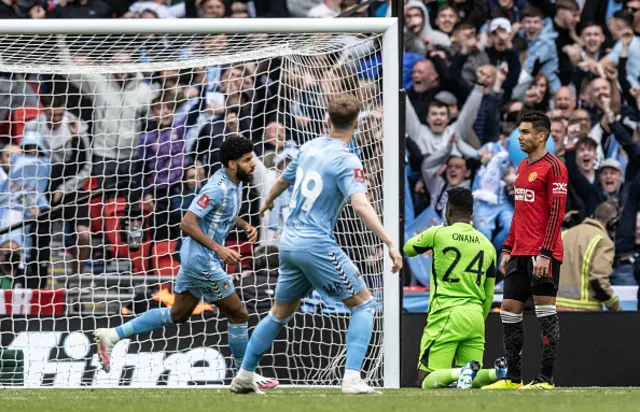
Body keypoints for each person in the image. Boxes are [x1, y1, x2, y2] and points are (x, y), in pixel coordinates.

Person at [229, 94, 403, 395]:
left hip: (289, 243)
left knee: (279, 313)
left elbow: (283, 180)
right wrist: (389, 241)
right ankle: (351, 378)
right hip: (315, 245)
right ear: (358, 124)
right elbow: (361, 205)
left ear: (326, 119)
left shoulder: (308, 147)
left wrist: (267, 203)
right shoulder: (348, 160)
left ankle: (245, 374)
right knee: (365, 304)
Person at [93, 135, 279, 390]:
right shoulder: (217, 187)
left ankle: (112, 335)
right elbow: (187, 222)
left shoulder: (234, 182)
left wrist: (243, 224)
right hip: (203, 261)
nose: (253, 164)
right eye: (247, 160)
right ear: (233, 164)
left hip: (197, 258)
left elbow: (223, 213)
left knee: (178, 314)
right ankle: (244, 375)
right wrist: (220, 249)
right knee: (238, 314)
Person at [483, 111, 568, 390]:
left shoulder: (555, 167)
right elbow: (519, 214)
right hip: (519, 252)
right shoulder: (521, 167)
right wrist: (507, 247)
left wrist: (545, 253)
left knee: (545, 313)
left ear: (541, 136)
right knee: (508, 309)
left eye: (525, 132)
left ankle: (546, 378)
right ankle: (512, 377)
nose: (519, 136)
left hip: (542, 254)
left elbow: (557, 212)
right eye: (519, 131)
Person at [404, 187, 505, 389]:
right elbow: (488, 293)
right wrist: (478, 315)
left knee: (425, 381)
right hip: (476, 317)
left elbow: (408, 248)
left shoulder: (438, 234)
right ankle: (498, 373)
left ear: (448, 211)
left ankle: (462, 371)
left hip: (446, 314)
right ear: (471, 213)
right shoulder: (488, 245)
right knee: (468, 384)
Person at [557, 201, 622, 311]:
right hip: (584, 312)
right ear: (613, 223)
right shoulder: (603, 241)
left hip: (554, 309)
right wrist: (616, 307)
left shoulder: (565, 234)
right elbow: (599, 282)